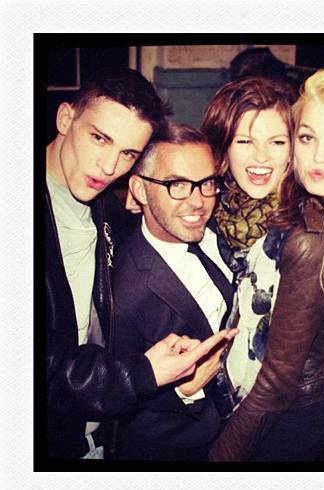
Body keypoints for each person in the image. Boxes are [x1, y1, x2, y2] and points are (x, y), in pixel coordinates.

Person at [45, 67, 235, 460]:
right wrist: (146, 375)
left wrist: (150, 202)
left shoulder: (102, 204)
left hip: (97, 433)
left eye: (128, 154)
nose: (108, 166)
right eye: (99, 138)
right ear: (65, 118)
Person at [209, 68, 324, 462]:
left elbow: (277, 379)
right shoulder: (239, 207)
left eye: (276, 141)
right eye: (308, 138)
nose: (261, 156)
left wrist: (221, 457)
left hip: (296, 407)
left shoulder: (309, 236)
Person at [112, 122, 237, 461]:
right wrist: (182, 392)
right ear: (139, 190)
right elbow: (120, 401)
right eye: (176, 185)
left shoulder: (217, 230)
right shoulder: (125, 292)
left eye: (206, 183)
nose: (198, 202)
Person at [201, 76, 294, 266]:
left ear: (292, 151)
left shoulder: (303, 231)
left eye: (277, 142)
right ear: (224, 149)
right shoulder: (207, 209)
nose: (261, 157)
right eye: (245, 141)